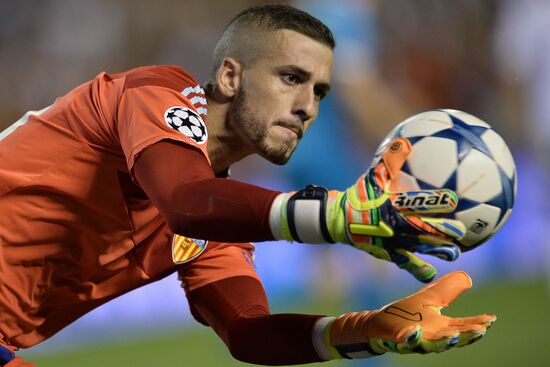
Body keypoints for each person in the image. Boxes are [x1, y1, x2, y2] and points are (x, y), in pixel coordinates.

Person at [0, 5, 495, 366]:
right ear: (231, 76)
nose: (308, 107)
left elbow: (247, 333)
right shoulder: (152, 93)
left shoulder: (220, 214)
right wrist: (335, 214)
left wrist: (365, 330)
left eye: (319, 90)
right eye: (291, 77)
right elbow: (185, 202)